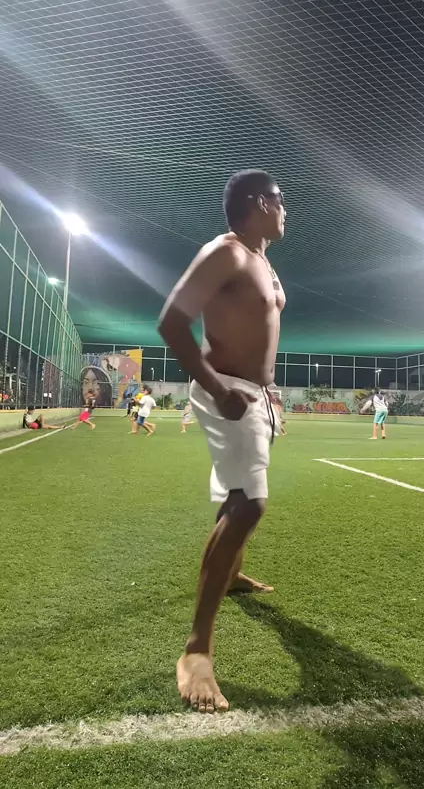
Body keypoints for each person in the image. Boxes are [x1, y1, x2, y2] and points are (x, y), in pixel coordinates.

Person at [159, 168, 286, 713]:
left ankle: (230, 576)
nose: (286, 209)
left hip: (255, 394)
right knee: (249, 503)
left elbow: (259, 331)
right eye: (280, 199)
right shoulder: (225, 252)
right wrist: (218, 389)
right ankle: (196, 652)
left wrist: (270, 393)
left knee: (236, 493)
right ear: (259, 202)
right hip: (225, 390)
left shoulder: (262, 259)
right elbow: (172, 322)